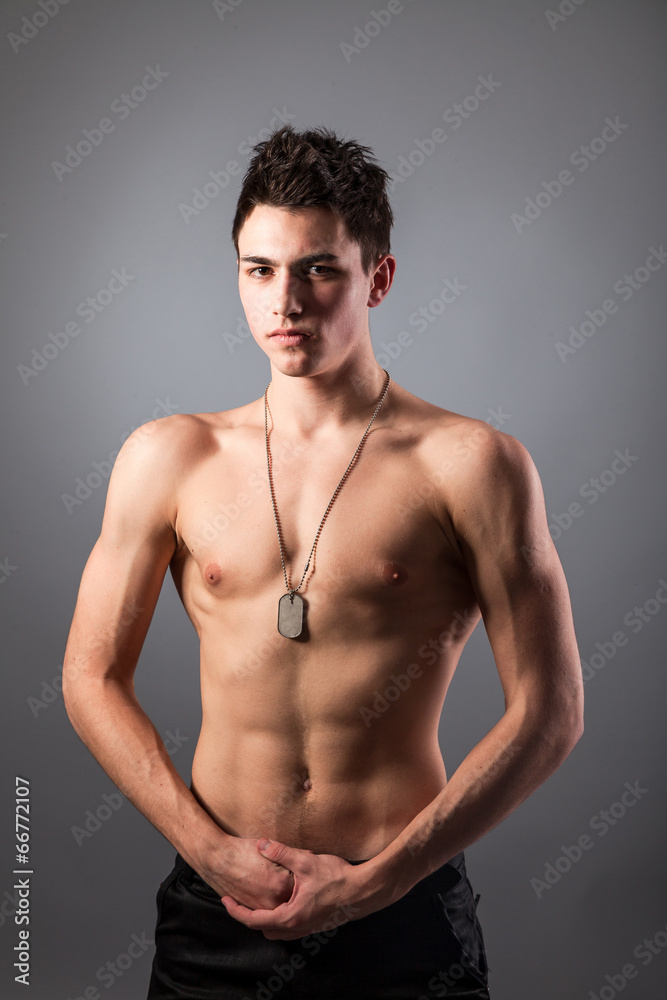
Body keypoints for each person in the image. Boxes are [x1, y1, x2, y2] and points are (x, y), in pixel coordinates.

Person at [62, 125, 584, 999]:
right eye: (259, 270)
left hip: (402, 905)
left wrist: (381, 881)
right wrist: (208, 852)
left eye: (318, 270)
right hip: (221, 907)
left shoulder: (470, 465)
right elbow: (89, 675)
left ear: (377, 278)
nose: (286, 302)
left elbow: (551, 711)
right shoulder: (170, 457)